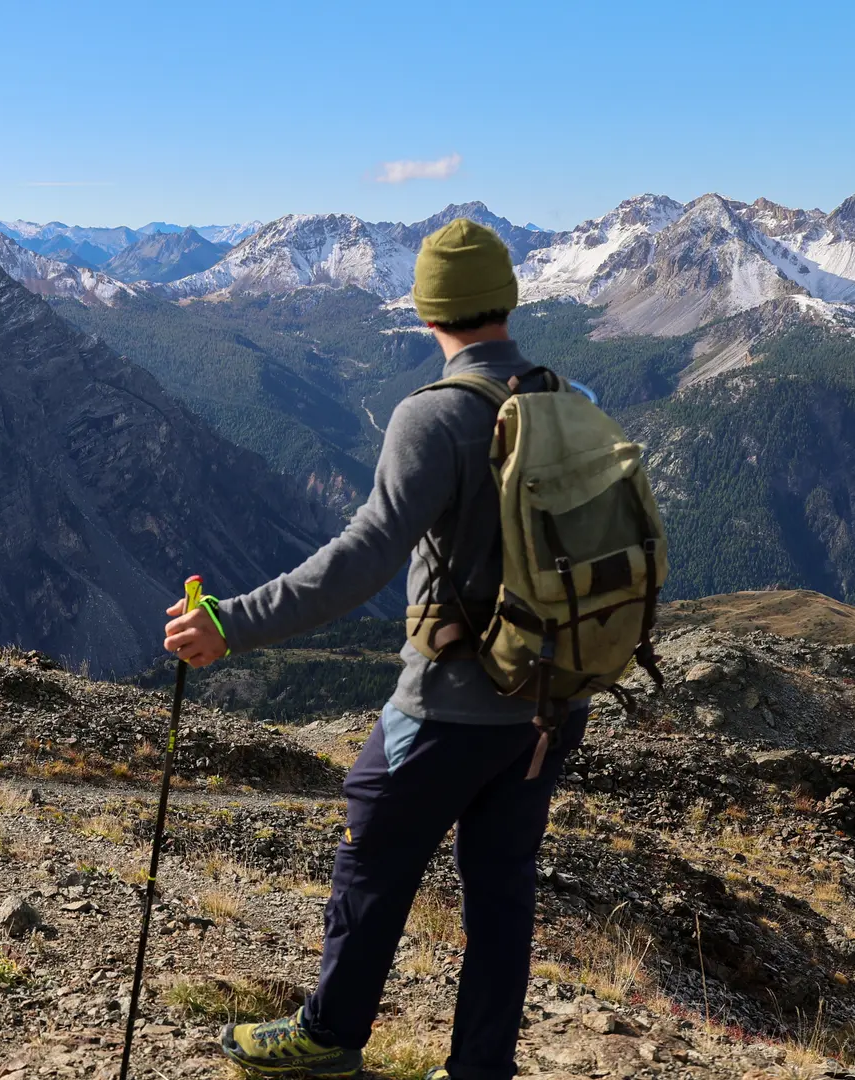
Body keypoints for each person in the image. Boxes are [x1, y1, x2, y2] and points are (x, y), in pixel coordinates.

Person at [162, 219, 590, 1080]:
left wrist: (231, 624)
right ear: (506, 300)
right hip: (552, 702)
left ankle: (329, 1036)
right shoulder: (567, 399)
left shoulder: (433, 416)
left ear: (429, 310)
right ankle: (479, 1070)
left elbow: (357, 561)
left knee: (371, 850)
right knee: (501, 888)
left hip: (450, 707)